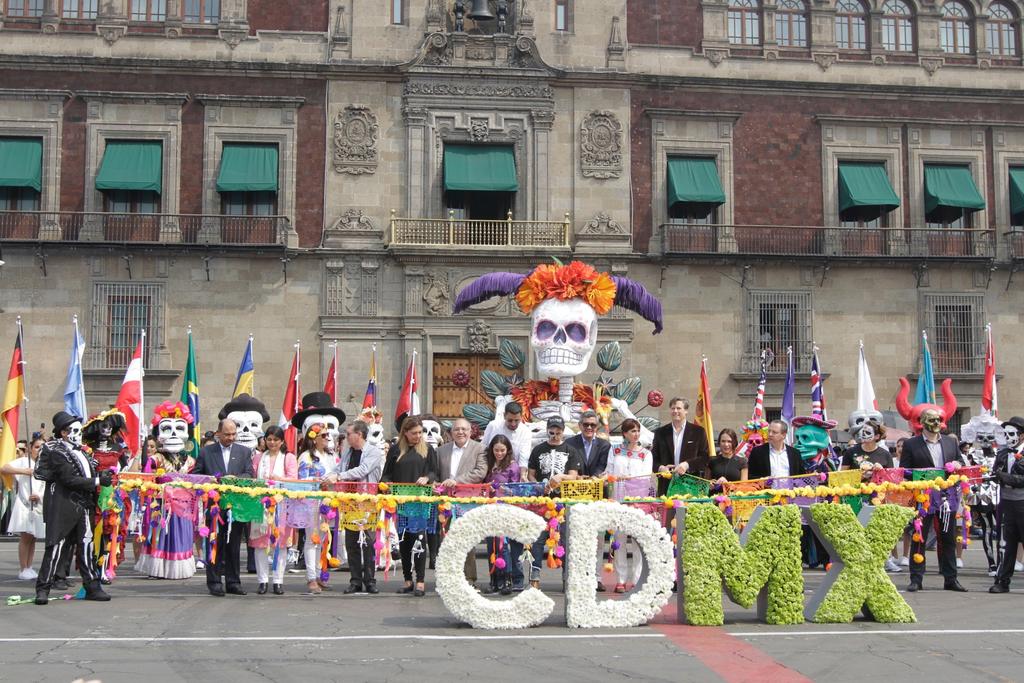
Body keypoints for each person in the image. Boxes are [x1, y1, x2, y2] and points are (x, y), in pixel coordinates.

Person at [33, 411, 112, 605]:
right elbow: (68, 478)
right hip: (63, 505)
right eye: (74, 431)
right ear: (63, 432)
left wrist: (100, 475)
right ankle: (43, 588)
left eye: (79, 430)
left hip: (84, 505)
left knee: (87, 545)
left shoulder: (82, 452)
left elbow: (86, 474)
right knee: (56, 546)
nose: (78, 434)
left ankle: (92, 587)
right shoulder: (56, 451)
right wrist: (97, 481)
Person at [900, 407, 965, 592]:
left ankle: (951, 578)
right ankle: (916, 579)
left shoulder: (950, 442)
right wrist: (922, 476)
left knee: (948, 538)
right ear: (922, 423)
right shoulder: (911, 444)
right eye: (932, 420)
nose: (936, 423)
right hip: (923, 496)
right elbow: (905, 470)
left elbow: (961, 462)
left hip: (946, 497)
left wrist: (957, 464)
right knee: (919, 536)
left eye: (939, 420)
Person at [134, 402, 199, 580]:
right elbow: (147, 481)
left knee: (181, 535)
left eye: (179, 429)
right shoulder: (156, 459)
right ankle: (158, 568)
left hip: (184, 508)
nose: (173, 434)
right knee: (161, 535)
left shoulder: (191, 461)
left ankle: (178, 567)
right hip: (161, 506)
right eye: (167, 429)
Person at [192, 418, 254, 597]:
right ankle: (215, 582)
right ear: (218, 433)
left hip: (236, 506)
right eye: (227, 434)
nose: (231, 437)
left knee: (234, 545)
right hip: (215, 507)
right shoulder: (206, 452)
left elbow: (249, 474)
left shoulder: (244, 451)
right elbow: (197, 475)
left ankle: (233, 582)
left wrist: (235, 479)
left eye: (234, 434)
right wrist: (209, 480)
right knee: (215, 544)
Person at [382, 416, 439, 597]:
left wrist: (427, 478)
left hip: (420, 501)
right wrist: (387, 484)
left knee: (419, 539)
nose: (418, 436)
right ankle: (408, 580)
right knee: (404, 541)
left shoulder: (428, 449)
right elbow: (386, 474)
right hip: (401, 501)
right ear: (405, 433)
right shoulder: (395, 450)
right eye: (414, 433)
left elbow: (434, 471)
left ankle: (420, 581)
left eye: (420, 433)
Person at [325, 420, 384, 594]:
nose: (346, 437)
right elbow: (338, 468)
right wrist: (328, 476)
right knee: (351, 542)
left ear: (359, 434)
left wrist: (339, 476)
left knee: (368, 542)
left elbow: (362, 470)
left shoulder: (374, 452)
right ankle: (355, 580)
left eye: (349, 433)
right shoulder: (347, 451)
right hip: (349, 501)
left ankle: (370, 580)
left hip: (367, 501)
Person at [527, 417, 583, 588]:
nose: (555, 434)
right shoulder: (538, 449)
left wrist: (561, 476)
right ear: (547, 430)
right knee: (538, 539)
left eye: (558, 431)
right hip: (542, 501)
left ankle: (567, 578)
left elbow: (574, 475)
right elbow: (531, 474)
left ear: (563, 431)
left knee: (565, 539)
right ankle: (534, 577)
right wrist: (539, 485)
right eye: (552, 431)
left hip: (563, 502)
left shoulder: (571, 450)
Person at [436, 417, 488, 586]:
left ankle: (469, 578)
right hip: (446, 501)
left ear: (470, 431)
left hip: (467, 501)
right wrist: (435, 482)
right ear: (451, 432)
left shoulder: (480, 449)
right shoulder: (441, 450)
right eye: (457, 429)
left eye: (464, 429)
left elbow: (480, 472)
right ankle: (448, 578)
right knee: (446, 540)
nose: (460, 432)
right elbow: (436, 472)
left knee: (467, 540)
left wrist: (456, 481)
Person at [604, 419, 654, 592]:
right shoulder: (615, 450)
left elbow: (645, 478)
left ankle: (637, 578)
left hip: (638, 501)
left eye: (637, 431)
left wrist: (630, 483)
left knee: (638, 541)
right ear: (624, 433)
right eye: (632, 431)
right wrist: (608, 479)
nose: (636, 434)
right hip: (618, 500)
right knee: (619, 540)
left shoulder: (646, 454)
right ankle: (621, 579)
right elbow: (609, 471)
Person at [249, 425, 296, 595]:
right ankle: (262, 580)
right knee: (260, 544)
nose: (272, 442)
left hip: (281, 505)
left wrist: (279, 479)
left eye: (276, 439)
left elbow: (293, 479)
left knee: (280, 544)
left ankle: (278, 580)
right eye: (269, 439)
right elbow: (253, 478)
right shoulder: (258, 458)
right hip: (260, 504)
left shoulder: (288, 458)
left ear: (282, 441)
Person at [296, 423, 336, 594]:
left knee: (322, 539)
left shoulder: (330, 456)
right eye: (324, 435)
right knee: (312, 539)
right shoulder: (306, 457)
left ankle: (319, 574)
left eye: (328, 435)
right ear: (314, 439)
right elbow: (301, 479)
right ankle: (311, 577)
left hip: (327, 501)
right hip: (311, 502)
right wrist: (316, 481)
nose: (327, 438)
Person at [1, 436, 45, 580]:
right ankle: (23, 567)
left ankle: (29, 566)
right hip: (25, 505)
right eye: (37, 447)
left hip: (38, 505)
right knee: (26, 537)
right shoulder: (24, 461)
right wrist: (24, 471)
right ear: (30, 449)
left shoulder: (45, 464)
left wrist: (39, 496)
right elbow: (4, 468)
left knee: (33, 538)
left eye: (42, 448)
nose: (39, 450)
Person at [990, 416, 1024, 593]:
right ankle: (1003, 581)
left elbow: (1021, 480)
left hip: (1022, 503)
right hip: (1006, 503)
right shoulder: (1002, 453)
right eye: (1005, 434)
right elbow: (995, 473)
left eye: (1011, 433)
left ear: (1022, 435)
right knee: (1007, 544)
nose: (1007, 437)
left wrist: (1004, 477)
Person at [482, 435, 520, 595]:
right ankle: (494, 580)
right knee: (491, 546)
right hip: (489, 508)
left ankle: (507, 580)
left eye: (502, 450)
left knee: (502, 546)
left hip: (504, 509)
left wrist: (501, 488)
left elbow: (516, 489)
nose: (499, 453)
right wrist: (487, 487)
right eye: (496, 450)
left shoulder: (513, 466)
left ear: (508, 450)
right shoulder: (488, 464)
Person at [652, 398, 710, 495]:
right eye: (673, 408)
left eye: (678, 408)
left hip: (690, 486)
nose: (675, 411)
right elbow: (653, 458)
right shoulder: (660, 432)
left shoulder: (698, 432)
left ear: (686, 411)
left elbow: (705, 457)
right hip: (666, 485)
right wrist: (661, 468)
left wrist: (687, 465)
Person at [482, 401, 534, 479]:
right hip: (491, 470)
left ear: (521, 417)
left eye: (517, 420)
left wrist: (523, 475)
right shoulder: (493, 426)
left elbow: (524, 456)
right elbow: (484, 448)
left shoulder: (525, 431)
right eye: (510, 420)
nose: (513, 424)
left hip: (512, 473)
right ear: (504, 416)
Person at [565, 410, 611, 479]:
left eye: (592, 425)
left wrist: (594, 477)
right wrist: (577, 477)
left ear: (597, 427)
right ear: (580, 425)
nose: (589, 427)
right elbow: (567, 465)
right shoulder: (569, 443)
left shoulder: (604, 445)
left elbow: (602, 465)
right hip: (575, 483)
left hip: (596, 482)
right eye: (586, 424)